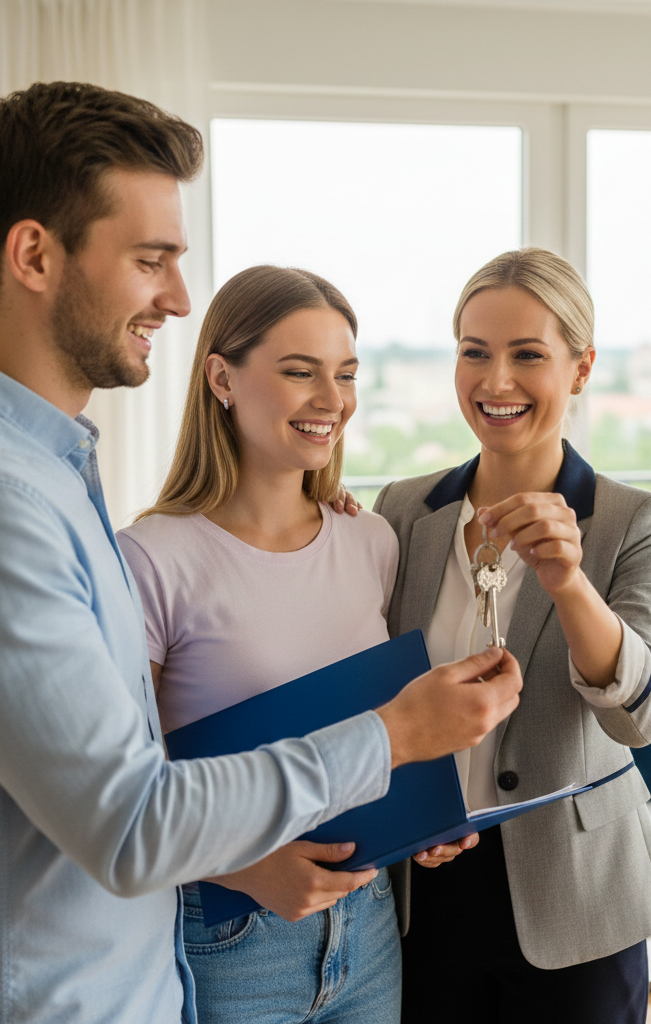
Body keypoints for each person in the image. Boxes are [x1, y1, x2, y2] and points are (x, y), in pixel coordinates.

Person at [0, 81, 521, 1024]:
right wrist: (396, 736)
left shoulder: (67, 475)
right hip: (193, 951)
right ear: (35, 253)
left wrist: (416, 796)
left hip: (330, 933)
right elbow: (135, 815)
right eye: (151, 258)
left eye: (347, 373)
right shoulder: (62, 521)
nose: (178, 293)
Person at [374, 247, 651, 1023]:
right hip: (425, 891)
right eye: (474, 353)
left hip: (576, 900)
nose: (496, 381)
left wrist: (568, 582)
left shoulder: (632, 522)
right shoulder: (403, 512)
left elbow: (643, 716)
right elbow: (378, 692)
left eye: (528, 355)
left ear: (579, 369)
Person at [117, 264, 405, 1024]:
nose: (331, 400)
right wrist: (245, 869)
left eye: (344, 374)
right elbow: (121, 784)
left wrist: (428, 823)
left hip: (369, 921)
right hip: (230, 938)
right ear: (222, 378)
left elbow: (379, 731)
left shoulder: (372, 541)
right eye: (300, 372)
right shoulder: (151, 558)